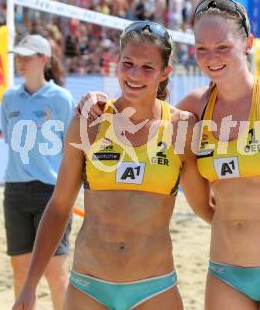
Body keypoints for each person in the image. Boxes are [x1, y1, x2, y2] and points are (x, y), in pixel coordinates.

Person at [76, 0, 260, 310]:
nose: (211, 57)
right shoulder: (193, 109)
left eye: (222, 46)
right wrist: (97, 101)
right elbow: (141, 104)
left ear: (248, 44)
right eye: (202, 48)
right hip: (225, 273)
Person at [12, 22, 214, 310]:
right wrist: (30, 285)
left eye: (147, 67)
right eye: (128, 63)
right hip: (89, 286)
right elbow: (59, 207)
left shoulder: (181, 128)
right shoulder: (89, 122)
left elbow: (205, 208)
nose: (134, 75)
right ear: (116, 63)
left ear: (165, 72)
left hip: (154, 288)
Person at [1, 34, 75, 309]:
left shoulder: (61, 98)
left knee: (55, 273)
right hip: (16, 192)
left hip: (51, 193)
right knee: (20, 273)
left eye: (27, 56)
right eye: (18, 56)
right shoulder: (10, 98)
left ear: (44, 60)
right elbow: (12, 141)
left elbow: (72, 149)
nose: (20, 61)